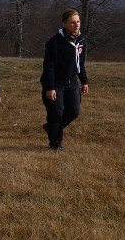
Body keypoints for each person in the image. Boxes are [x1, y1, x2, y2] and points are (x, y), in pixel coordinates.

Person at [40, 9, 89, 151]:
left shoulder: (81, 41)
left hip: (72, 83)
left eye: (78, 21)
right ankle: (56, 144)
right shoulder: (54, 43)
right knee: (57, 112)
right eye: (73, 22)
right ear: (64, 24)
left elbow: (80, 63)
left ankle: (50, 127)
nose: (76, 24)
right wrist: (50, 88)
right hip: (55, 83)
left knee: (74, 112)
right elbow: (49, 67)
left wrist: (84, 81)